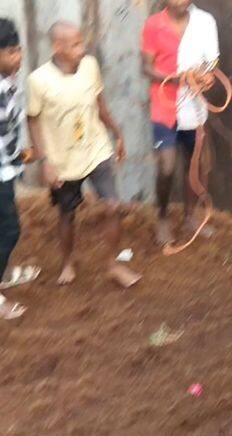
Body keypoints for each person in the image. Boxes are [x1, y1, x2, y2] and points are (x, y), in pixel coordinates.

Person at [27, 21, 141, 288]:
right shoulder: (38, 80)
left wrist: (117, 131)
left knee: (112, 205)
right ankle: (67, 262)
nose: (82, 48)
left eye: (82, 42)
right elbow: (32, 119)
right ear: (57, 47)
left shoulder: (90, 66)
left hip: (96, 149)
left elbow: (100, 104)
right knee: (67, 213)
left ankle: (113, 265)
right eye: (75, 44)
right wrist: (45, 162)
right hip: (62, 161)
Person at [141, 0, 219, 246]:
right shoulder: (153, 25)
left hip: (194, 105)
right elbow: (145, 68)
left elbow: (211, 63)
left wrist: (206, 77)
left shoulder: (204, 22)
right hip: (164, 106)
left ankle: (189, 216)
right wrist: (179, 78)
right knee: (166, 166)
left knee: (194, 163)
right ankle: (162, 217)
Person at [0, 18, 40, 319]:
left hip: (6, 169)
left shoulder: (10, 81)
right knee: (9, 229)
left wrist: (19, 155)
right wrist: (19, 156)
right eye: (11, 52)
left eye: (19, 49)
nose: (19, 57)